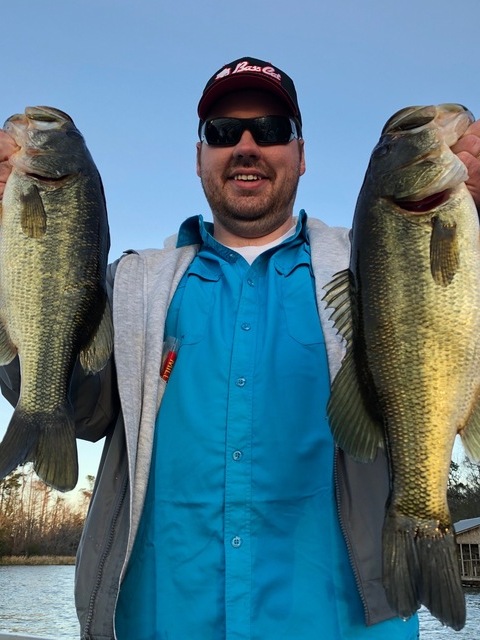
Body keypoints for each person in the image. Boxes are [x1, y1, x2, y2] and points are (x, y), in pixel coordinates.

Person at [1, 57, 480, 640]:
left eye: (271, 130)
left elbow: (452, 336)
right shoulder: (131, 285)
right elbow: (74, 403)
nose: (246, 146)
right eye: (224, 133)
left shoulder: (375, 270)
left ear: (301, 155)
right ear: (200, 157)